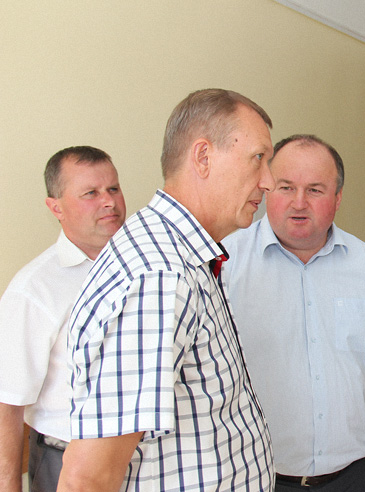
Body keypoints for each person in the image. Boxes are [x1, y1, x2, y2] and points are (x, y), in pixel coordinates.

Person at [56, 89, 276, 492]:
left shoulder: (179, 256)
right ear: (203, 157)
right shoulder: (159, 276)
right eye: (258, 158)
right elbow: (88, 477)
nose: (268, 181)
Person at [222, 134, 365, 492]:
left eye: (315, 190)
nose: (299, 202)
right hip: (256, 476)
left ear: (337, 198)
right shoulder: (225, 266)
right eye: (286, 187)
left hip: (354, 475)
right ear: (266, 188)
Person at [0, 146, 125, 492]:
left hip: (138, 460)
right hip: (64, 461)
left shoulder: (142, 268)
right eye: (91, 193)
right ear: (55, 207)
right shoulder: (34, 290)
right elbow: (7, 403)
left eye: (113, 188)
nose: (109, 202)